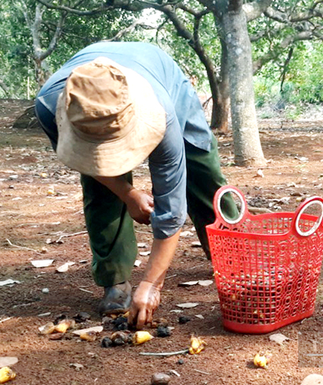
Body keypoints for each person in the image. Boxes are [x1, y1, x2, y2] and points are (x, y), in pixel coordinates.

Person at [34, 42, 236, 329]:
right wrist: (127, 194)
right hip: (98, 82)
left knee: (201, 168)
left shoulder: (161, 110)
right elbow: (89, 165)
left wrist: (153, 284)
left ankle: (233, 255)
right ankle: (114, 280)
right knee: (101, 189)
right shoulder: (48, 107)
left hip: (161, 79)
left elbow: (170, 208)